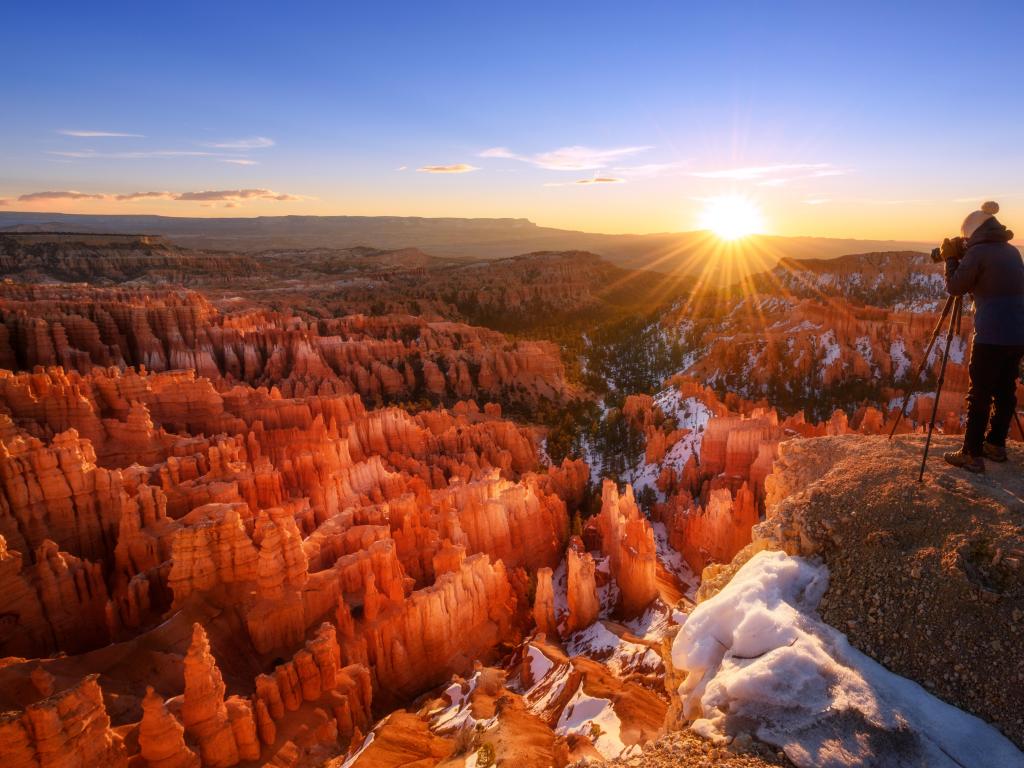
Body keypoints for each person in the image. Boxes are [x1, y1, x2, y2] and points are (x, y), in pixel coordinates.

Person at [943, 201, 1024, 472]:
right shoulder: (1012, 251)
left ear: (974, 232)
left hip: (991, 334)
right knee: (1005, 390)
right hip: (1018, 334)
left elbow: (955, 287)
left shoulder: (978, 253)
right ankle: (996, 445)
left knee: (979, 394)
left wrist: (951, 259)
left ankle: (971, 453)